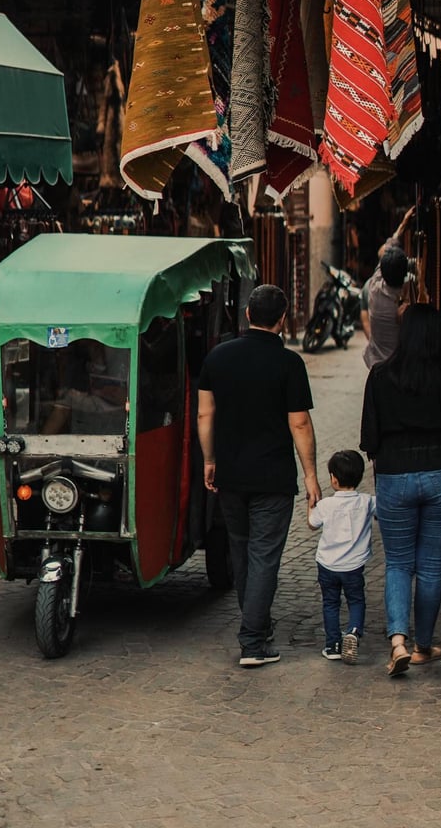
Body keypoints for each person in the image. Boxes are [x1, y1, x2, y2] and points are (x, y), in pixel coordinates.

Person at [197, 284, 322, 668]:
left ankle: (259, 627)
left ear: (248, 314)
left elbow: (205, 414)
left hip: (231, 474)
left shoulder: (217, 357)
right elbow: (299, 423)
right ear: (282, 320)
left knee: (242, 551)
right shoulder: (289, 364)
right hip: (272, 477)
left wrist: (209, 460)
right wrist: (311, 476)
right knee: (264, 557)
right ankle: (252, 641)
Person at [360, 303, 441, 677]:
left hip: (395, 474)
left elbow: (370, 440)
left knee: (398, 563)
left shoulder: (380, 375)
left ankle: (398, 642)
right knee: (430, 565)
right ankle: (423, 646)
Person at [308, 449, 375, 665]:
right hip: (353, 566)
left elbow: (312, 524)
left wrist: (310, 504)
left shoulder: (326, 505)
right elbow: (384, 511)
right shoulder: (367, 502)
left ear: (333, 479)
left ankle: (333, 646)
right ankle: (354, 631)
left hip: (327, 565)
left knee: (330, 603)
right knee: (356, 600)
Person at [360, 205, 415, 350]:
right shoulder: (404, 306)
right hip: (397, 361)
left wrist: (403, 224)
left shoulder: (374, 286)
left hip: (375, 360)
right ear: (404, 274)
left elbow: (384, 251)